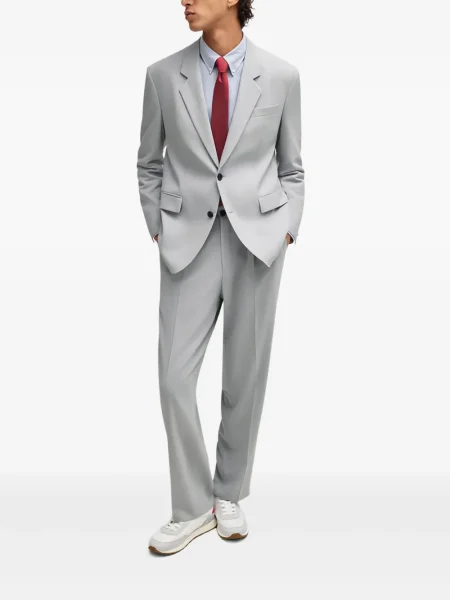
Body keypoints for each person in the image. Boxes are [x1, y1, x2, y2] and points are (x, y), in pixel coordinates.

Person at [137, 0, 305, 555]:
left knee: (245, 374)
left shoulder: (281, 75)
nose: (183, 1)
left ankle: (229, 493)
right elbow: (148, 162)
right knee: (173, 377)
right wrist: (158, 225)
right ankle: (191, 507)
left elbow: (292, 166)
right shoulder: (163, 75)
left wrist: (286, 230)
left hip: (258, 240)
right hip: (187, 239)